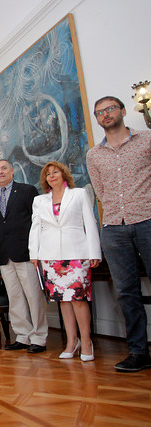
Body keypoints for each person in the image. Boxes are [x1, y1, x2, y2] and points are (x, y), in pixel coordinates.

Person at [86, 95, 151, 372]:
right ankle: (138, 352)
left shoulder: (146, 140)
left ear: (123, 111)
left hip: (147, 219)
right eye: (100, 112)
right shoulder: (93, 155)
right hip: (113, 227)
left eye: (110, 109)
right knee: (126, 292)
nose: (105, 114)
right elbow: (100, 192)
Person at [28, 162, 101, 361]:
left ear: (63, 174)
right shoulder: (40, 200)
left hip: (76, 252)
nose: (52, 176)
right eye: (48, 174)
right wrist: (34, 254)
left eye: (55, 172)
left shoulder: (78, 194)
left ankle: (86, 341)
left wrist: (95, 252)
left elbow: (90, 222)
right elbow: (36, 228)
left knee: (78, 299)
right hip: (50, 256)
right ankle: (71, 341)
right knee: (63, 301)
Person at [0, 159, 48, 354]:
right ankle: (22, 336)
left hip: (25, 252)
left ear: (12, 171)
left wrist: (37, 250)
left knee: (33, 295)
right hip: (5, 254)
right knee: (15, 297)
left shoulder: (27, 191)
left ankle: (38, 337)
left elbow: (38, 221)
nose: (0, 172)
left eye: (4, 168)